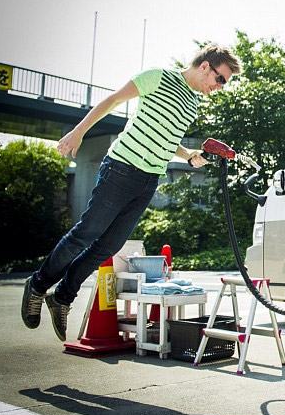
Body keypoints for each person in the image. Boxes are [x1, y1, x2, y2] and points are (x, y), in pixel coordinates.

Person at [21, 44, 242, 341]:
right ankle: (37, 285)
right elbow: (113, 101)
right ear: (205, 66)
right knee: (86, 233)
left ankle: (62, 297)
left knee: (108, 247)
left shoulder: (192, 104)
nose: (219, 87)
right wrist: (79, 131)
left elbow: (165, 139)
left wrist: (187, 154)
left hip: (148, 180)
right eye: (221, 79)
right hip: (121, 168)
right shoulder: (158, 77)